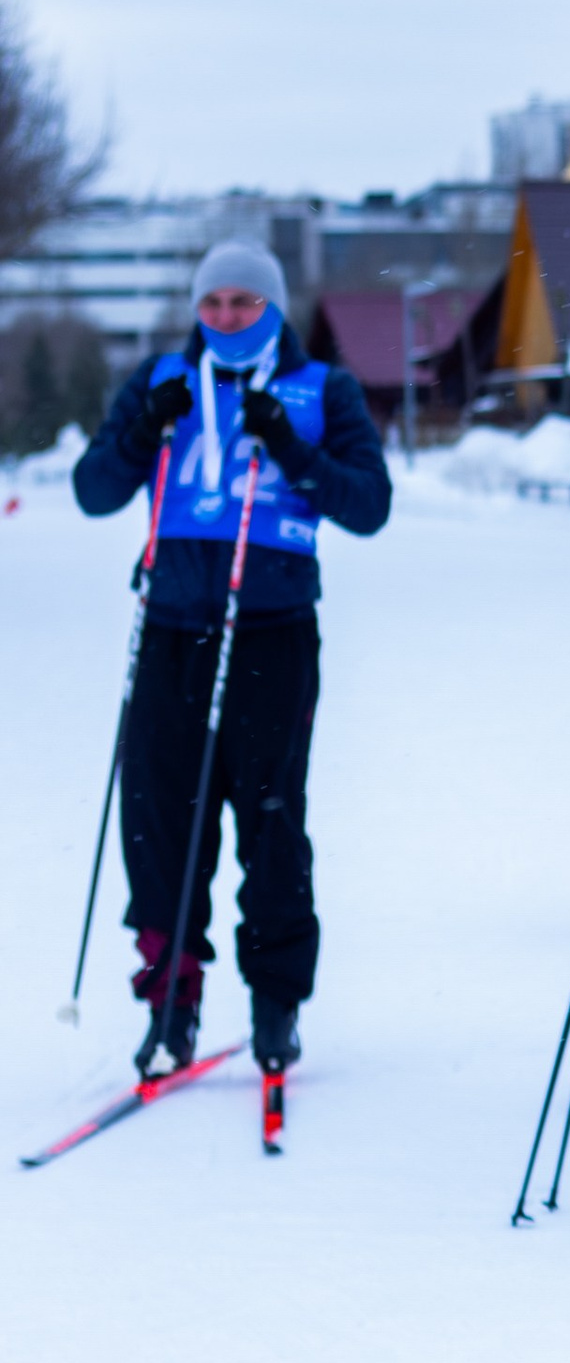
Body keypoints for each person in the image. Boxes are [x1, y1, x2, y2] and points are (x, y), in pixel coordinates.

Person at [72, 234, 392, 1075]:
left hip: (272, 631)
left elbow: (368, 505)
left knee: (271, 820)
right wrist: (143, 433)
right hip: (173, 625)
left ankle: (275, 1004)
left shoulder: (323, 388)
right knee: (160, 822)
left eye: (243, 303)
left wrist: (290, 446)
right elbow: (94, 489)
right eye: (211, 304)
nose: (224, 318)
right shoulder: (160, 383)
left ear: (275, 307)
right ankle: (170, 1003)